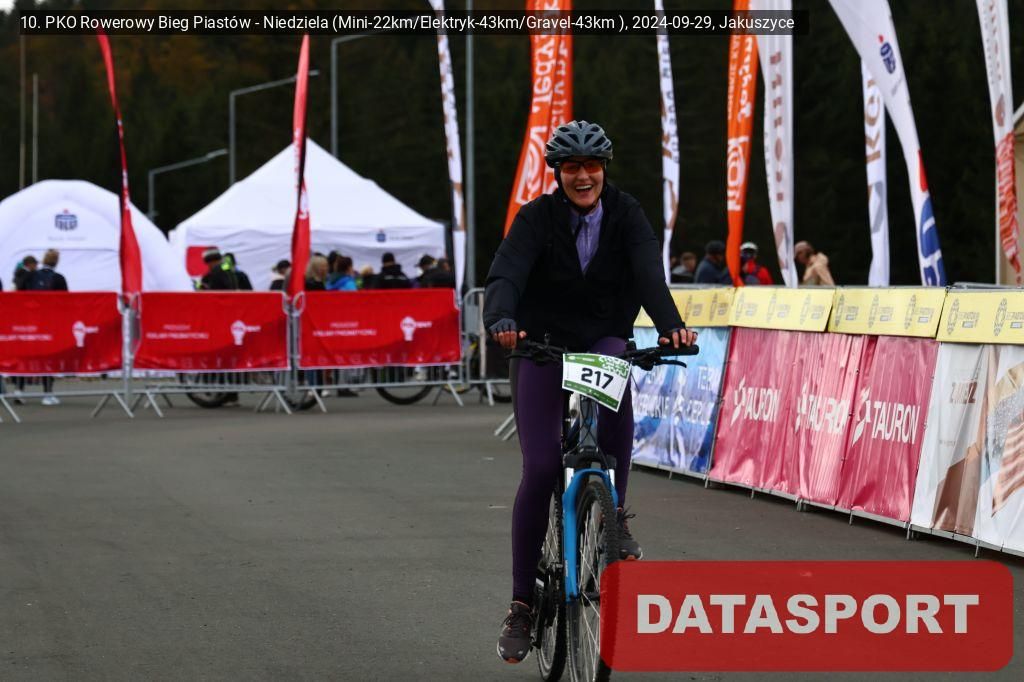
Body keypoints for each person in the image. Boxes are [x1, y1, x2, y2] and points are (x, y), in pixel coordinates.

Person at [483, 120, 696, 664]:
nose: (583, 177)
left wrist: (671, 325)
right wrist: (502, 317)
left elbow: (648, 274)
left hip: (602, 335)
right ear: (558, 173)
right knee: (539, 469)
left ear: (604, 169)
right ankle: (521, 603)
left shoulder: (627, 214)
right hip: (541, 344)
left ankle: (614, 514)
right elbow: (507, 273)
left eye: (592, 166)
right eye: (573, 167)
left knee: (615, 376)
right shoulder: (536, 217)